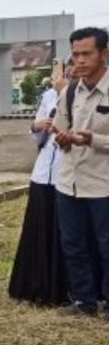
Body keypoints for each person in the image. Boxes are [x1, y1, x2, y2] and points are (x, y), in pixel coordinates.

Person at [52, 27, 109, 320]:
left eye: (87, 54)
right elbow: (59, 128)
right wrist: (61, 139)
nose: (80, 61)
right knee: (73, 244)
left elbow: (93, 139)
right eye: (75, 55)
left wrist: (93, 140)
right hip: (69, 181)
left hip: (103, 184)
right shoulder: (71, 91)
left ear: (104, 53)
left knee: (106, 245)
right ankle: (84, 301)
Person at [9, 65, 71, 305]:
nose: (62, 78)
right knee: (38, 230)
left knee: (63, 233)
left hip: (67, 173)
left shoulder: (81, 96)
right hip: (43, 171)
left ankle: (64, 290)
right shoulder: (48, 96)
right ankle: (34, 285)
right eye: (63, 73)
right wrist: (36, 127)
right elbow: (37, 134)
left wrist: (64, 94)